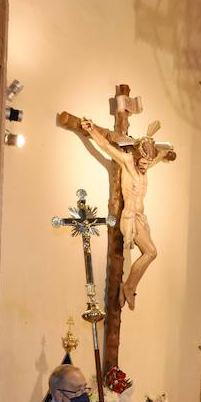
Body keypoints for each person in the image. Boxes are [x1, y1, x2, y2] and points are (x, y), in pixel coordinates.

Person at [79, 117, 173, 310]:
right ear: (137, 155)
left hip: (140, 218)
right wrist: (92, 130)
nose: (146, 166)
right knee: (151, 252)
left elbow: (160, 154)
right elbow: (106, 146)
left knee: (151, 253)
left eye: (148, 163)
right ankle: (129, 287)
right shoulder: (128, 163)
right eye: (144, 162)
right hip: (129, 217)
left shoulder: (145, 166)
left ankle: (130, 286)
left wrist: (166, 153)